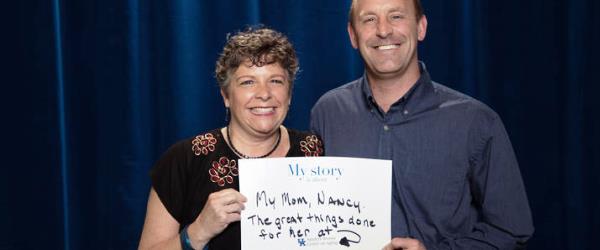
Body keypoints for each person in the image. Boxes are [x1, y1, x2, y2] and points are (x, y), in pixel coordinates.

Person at [310, 0, 534, 249]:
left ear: (421, 27)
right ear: (353, 35)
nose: (383, 30)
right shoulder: (327, 113)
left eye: (396, 16)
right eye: (369, 19)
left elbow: (510, 229)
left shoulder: (475, 121)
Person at [139, 27, 324, 250]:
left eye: (275, 81)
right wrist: (198, 232)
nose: (264, 93)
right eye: (248, 82)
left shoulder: (316, 151)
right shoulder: (185, 160)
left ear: (290, 94)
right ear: (226, 96)